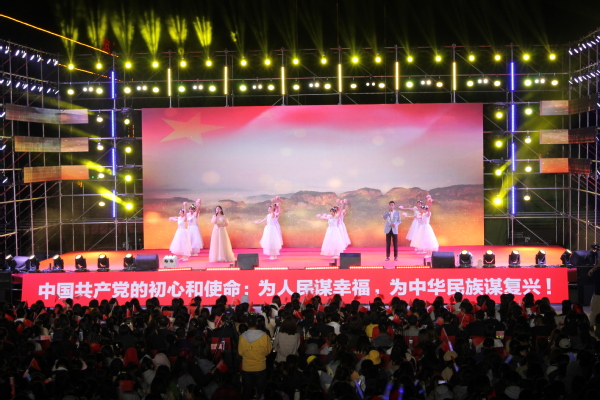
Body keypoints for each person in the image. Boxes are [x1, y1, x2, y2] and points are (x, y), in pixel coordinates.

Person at [238, 314, 272, 400]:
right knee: (261, 393)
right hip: (260, 367)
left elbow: (240, 353)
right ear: (256, 323)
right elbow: (268, 351)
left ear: (247, 323)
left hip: (246, 368)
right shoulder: (264, 336)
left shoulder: (242, 337)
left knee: (247, 392)